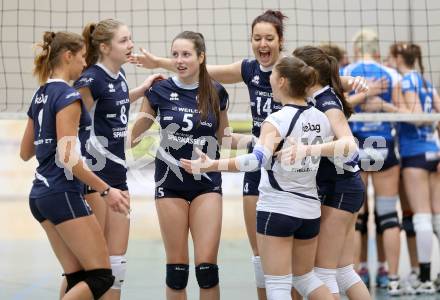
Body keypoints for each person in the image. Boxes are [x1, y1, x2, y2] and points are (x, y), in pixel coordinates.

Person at [129, 10, 368, 299]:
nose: (262, 44)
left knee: (308, 270)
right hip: (272, 167)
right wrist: (158, 64)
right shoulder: (251, 71)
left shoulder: (296, 79)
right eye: (257, 38)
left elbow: (333, 112)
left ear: (282, 44)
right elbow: (198, 67)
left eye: (269, 38)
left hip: (301, 174)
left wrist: (344, 85)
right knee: (273, 261)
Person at [181, 56, 346, 300]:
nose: (268, 80)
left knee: (277, 285)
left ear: (281, 81)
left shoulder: (276, 120)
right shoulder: (321, 118)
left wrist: (211, 165)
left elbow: (254, 161)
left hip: (277, 209)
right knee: (305, 278)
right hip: (309, 210)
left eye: (271, 76)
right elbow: (276, 146)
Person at [20, 31, 130, 300]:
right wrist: (107, 190)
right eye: (81, 58)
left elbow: (25, 152)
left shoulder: (40, 94)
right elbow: (69, 158)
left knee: (77, 276)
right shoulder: (69, 97)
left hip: (39, 194)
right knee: (102, 277)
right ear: (67, 56)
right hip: (62, 191)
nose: (84, 65)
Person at [130, 31, 234, 300]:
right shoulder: (160, 90)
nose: (179, 60)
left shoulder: (217, 91)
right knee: (177, 271)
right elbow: (134, 137)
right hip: (170, 181)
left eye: (186, 54)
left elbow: (226, 137)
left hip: (207, 183)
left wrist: (266, 141)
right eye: (175, 54)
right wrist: (144, 98)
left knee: (207, 269)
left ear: (201, 57)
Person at [72, 19, 162, 300]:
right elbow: (70, 125)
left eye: (130, 38)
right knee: (91, 269)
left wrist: (144, 88)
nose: (131, 45)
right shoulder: (91, 80)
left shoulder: (119, 75)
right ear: (104, 46)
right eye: (124, 40)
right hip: (95, 178)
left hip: (118, 175)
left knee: (116, 265)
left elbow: (118, 101)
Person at [290, 46, 371, 300]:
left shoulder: (326, 103)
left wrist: (308, 149)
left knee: (323, 273)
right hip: (347, 186)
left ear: (310, 75)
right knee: (344, 272)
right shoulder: (322, 96)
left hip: (340, 188)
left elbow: (348, 144)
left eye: (296, 67)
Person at [342, 29, 404, 295]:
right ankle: (391, 276)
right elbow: (405, 115)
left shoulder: (347, 70)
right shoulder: (392, 75)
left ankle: (358, 272)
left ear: (356, 50)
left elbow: (339, 105)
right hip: (384, 146)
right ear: (378, 51)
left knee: (357, 217)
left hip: (356, 146)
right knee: (388, 214)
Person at [389, 41, 440, 294]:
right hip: (433, 151)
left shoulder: (406, 82)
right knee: (436, 216)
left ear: (399, 58)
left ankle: (426, 278)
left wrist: (388, 109)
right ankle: (433, 276)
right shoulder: (427, 83)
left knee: (420, 215)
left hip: (414, 154)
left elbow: (418, 116)